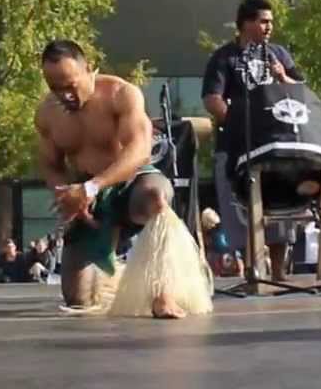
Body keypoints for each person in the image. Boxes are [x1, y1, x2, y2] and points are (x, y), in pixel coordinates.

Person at [35, 39, 211, 318]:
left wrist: (94, 187)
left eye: (70, 85)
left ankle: (162, 294)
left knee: (157, 197)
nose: (65, 95)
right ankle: (122, 282)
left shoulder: (121, 94)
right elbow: (50, 164)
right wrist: (66, 194)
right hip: (87, 196)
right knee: (78, 299)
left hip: (132, 181)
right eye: (55, 88)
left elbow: (139, 151)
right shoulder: (47, 114)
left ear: (89, 70)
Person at [201, 0, 304, 282]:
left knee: (280, 205)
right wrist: (237, 125)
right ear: (245, 23)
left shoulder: (280, 55)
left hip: (275, 146)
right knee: (240, 209)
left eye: (271, 21)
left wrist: (283, 77)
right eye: (263, 21)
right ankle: (253, 270)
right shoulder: (224, 57)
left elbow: (302, 92)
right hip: (237, 146)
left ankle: (279, 271)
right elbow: (212, 100)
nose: (269, 26)